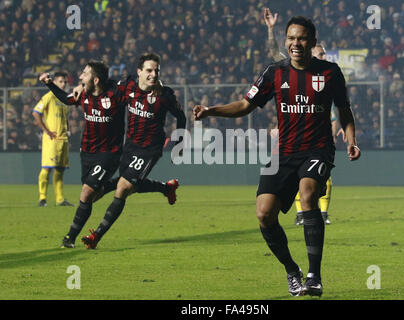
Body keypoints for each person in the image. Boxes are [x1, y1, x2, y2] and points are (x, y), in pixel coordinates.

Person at [194, 16, 360, 297]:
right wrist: (212, 111)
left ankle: (314, 275)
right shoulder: (274, 72)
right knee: (264, 214)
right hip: (283, 152)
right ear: (286, 41)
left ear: (313, 42)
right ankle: (292, 271)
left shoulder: (330, 72)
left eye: (303, 38)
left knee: (308, 195)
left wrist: (351, 138)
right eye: (292, 38)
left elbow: (344, 110)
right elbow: (246, 105)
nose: (296, 44)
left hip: (317, 149)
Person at [80, 53, 186, 249]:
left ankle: (96, 236)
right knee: (131, 184)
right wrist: (83, 87)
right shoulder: (127, 86)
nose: (153, 74)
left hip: (149, 149)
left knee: (123, 188)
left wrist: (178, 144)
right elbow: (104, 87)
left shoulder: (164, 95)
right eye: (149, 70)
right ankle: (166, 188)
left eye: (156, 71)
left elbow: (181, 117)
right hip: (129, 145)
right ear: (139, 72)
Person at [263, 8, 346, 226]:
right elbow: (274, 54)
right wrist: (271, 30)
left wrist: (339, 130)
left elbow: (337, 111)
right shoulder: (288, 70)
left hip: (319, 141)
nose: (322, 57)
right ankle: (303, 213)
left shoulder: (328, 75)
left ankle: (321, 213)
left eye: (323, 54)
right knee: (300, 181)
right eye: (321, 54)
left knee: (318, 179)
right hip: (293, 140)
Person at [32, 71, 74, 207]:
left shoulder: (64, 99)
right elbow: (36, 112)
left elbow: (64, 118)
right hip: (52, 139)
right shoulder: (49, 96)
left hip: (63, 139)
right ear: (54, 82)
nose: (64, 84)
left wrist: (68, 129)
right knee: (47, 168)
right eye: (61, 81)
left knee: (60, 169)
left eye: (65, 82)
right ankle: (42, 198)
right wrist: (47, 131)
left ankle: (60, 199)